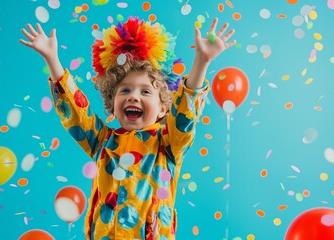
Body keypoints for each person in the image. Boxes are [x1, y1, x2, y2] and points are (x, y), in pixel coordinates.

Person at [20, 17, 235, 240]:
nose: (133, 96)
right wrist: (52, 59)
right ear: (112, 102)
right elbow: (76, 112)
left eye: (145, 92)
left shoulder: (168, 146)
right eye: (125, 91)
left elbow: (184, 115)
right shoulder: (102, 141)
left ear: (163, 109)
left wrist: (202, 61)